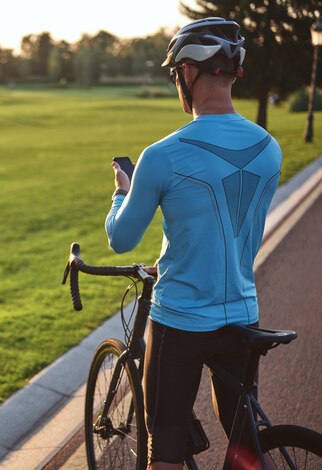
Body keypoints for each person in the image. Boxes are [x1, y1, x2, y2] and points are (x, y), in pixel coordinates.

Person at [105, 18, 282, 469]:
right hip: (243, 312)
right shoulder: (270, 147)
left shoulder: (162, 155)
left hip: (181, 322)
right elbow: (229, 225)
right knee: (245, 443)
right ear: (232, 72)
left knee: (163, 453)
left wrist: (121, 193)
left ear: (186, 73)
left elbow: (121, 239)